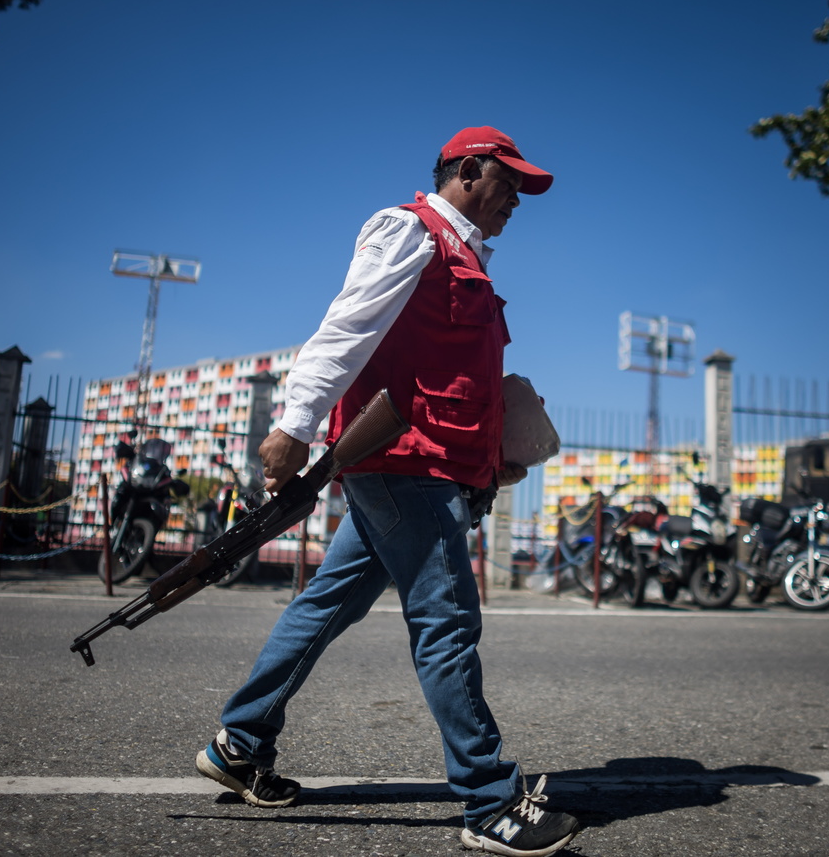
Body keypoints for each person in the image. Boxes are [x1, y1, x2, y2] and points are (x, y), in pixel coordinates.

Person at [194, 126, 582, 856]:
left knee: (324, 604)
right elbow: (347, 327)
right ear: (469, 170)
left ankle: (239, 742)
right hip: (405, 463)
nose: (518, 201)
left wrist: (491, 456)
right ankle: (490, 801)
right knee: (446, 622)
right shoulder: (409, 229)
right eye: (511, 184)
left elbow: (452, 377)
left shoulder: (466, 254)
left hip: (430, 465)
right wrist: (294, 425)